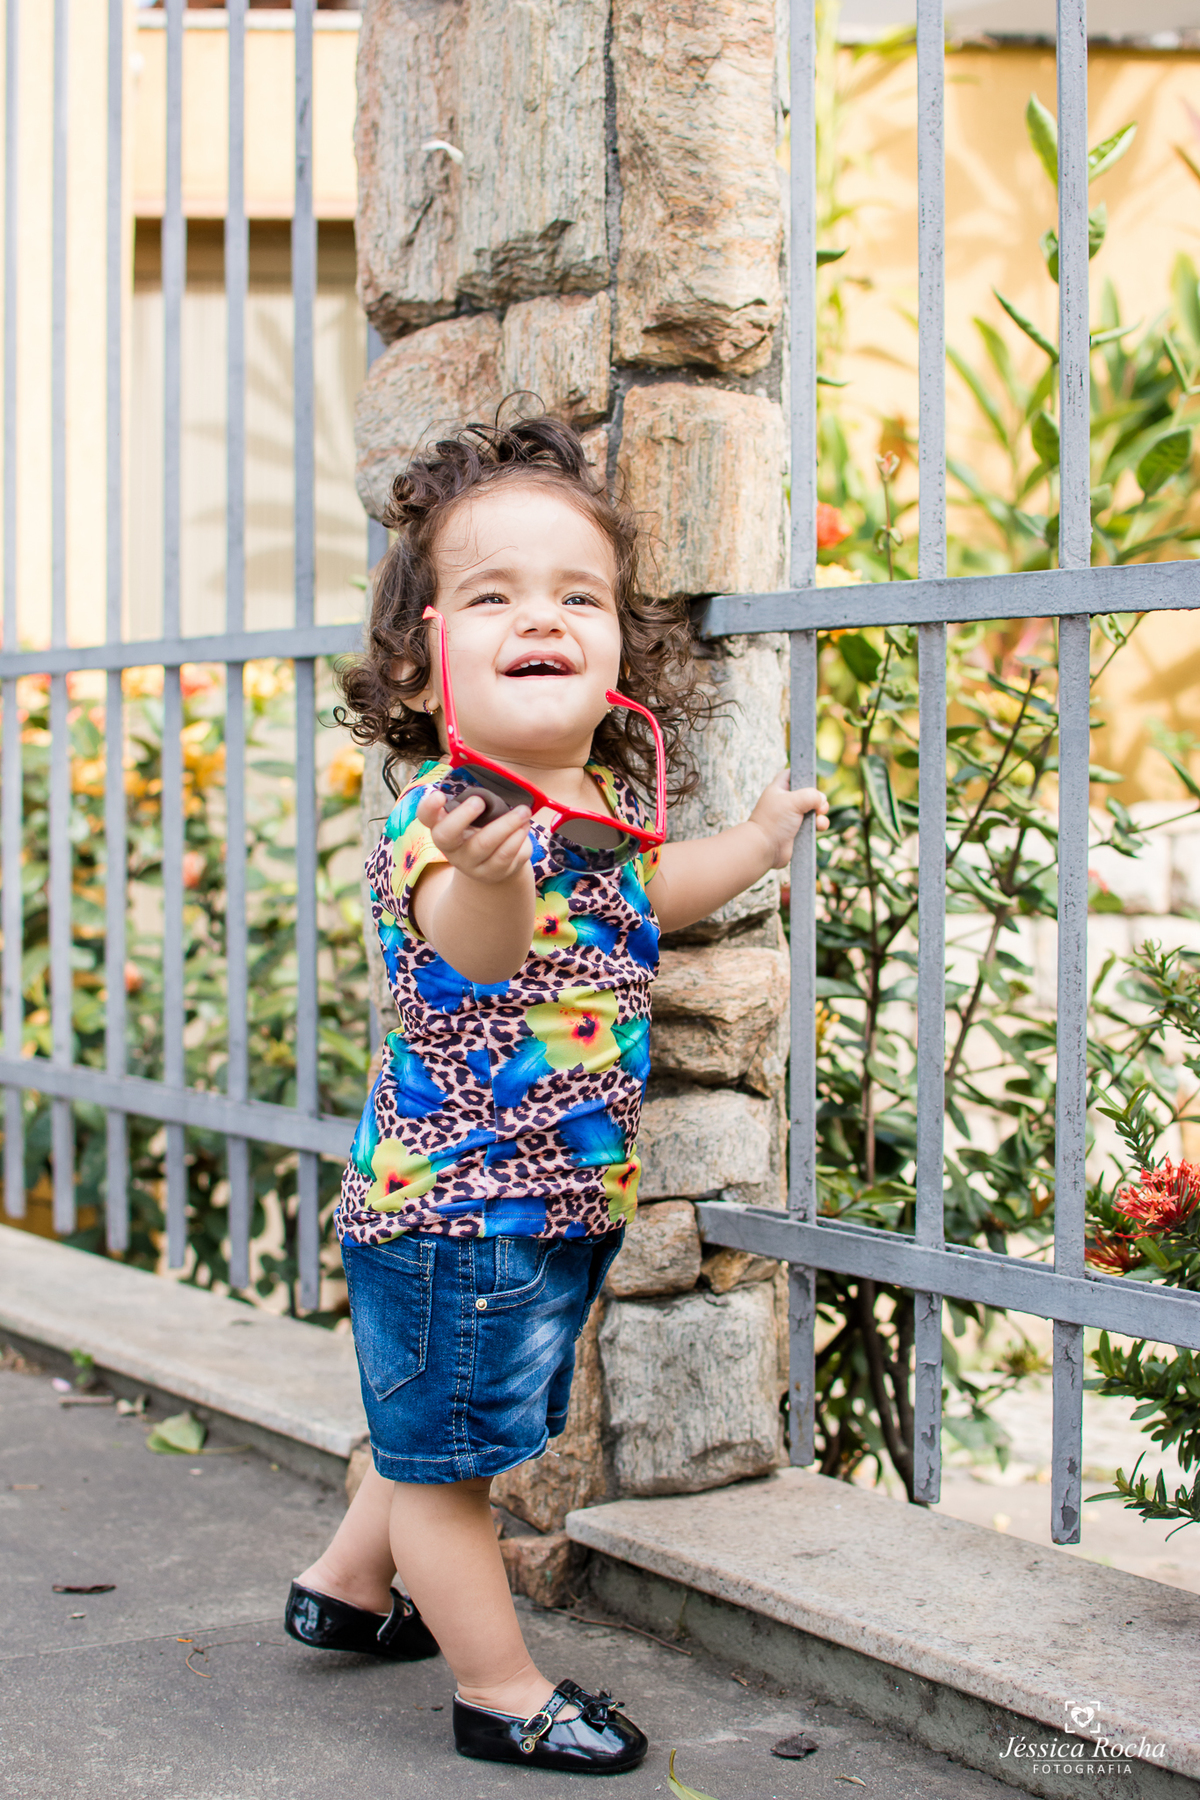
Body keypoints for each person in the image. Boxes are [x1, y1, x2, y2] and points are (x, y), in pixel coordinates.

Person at [283, 414, 828, 1774]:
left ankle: (346, 1591)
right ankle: (499, 1690)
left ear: (615, 661)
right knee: (448, 1468)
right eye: (496, 596)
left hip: (545, 1205)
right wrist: (490, 872)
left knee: (440, 1431)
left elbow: (646, 900)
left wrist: (752, 844)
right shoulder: (447, 826)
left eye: (576, 596)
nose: (545, 616)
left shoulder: (592, 802)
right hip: (458, 1212)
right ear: (418, 671)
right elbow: (481, 950)